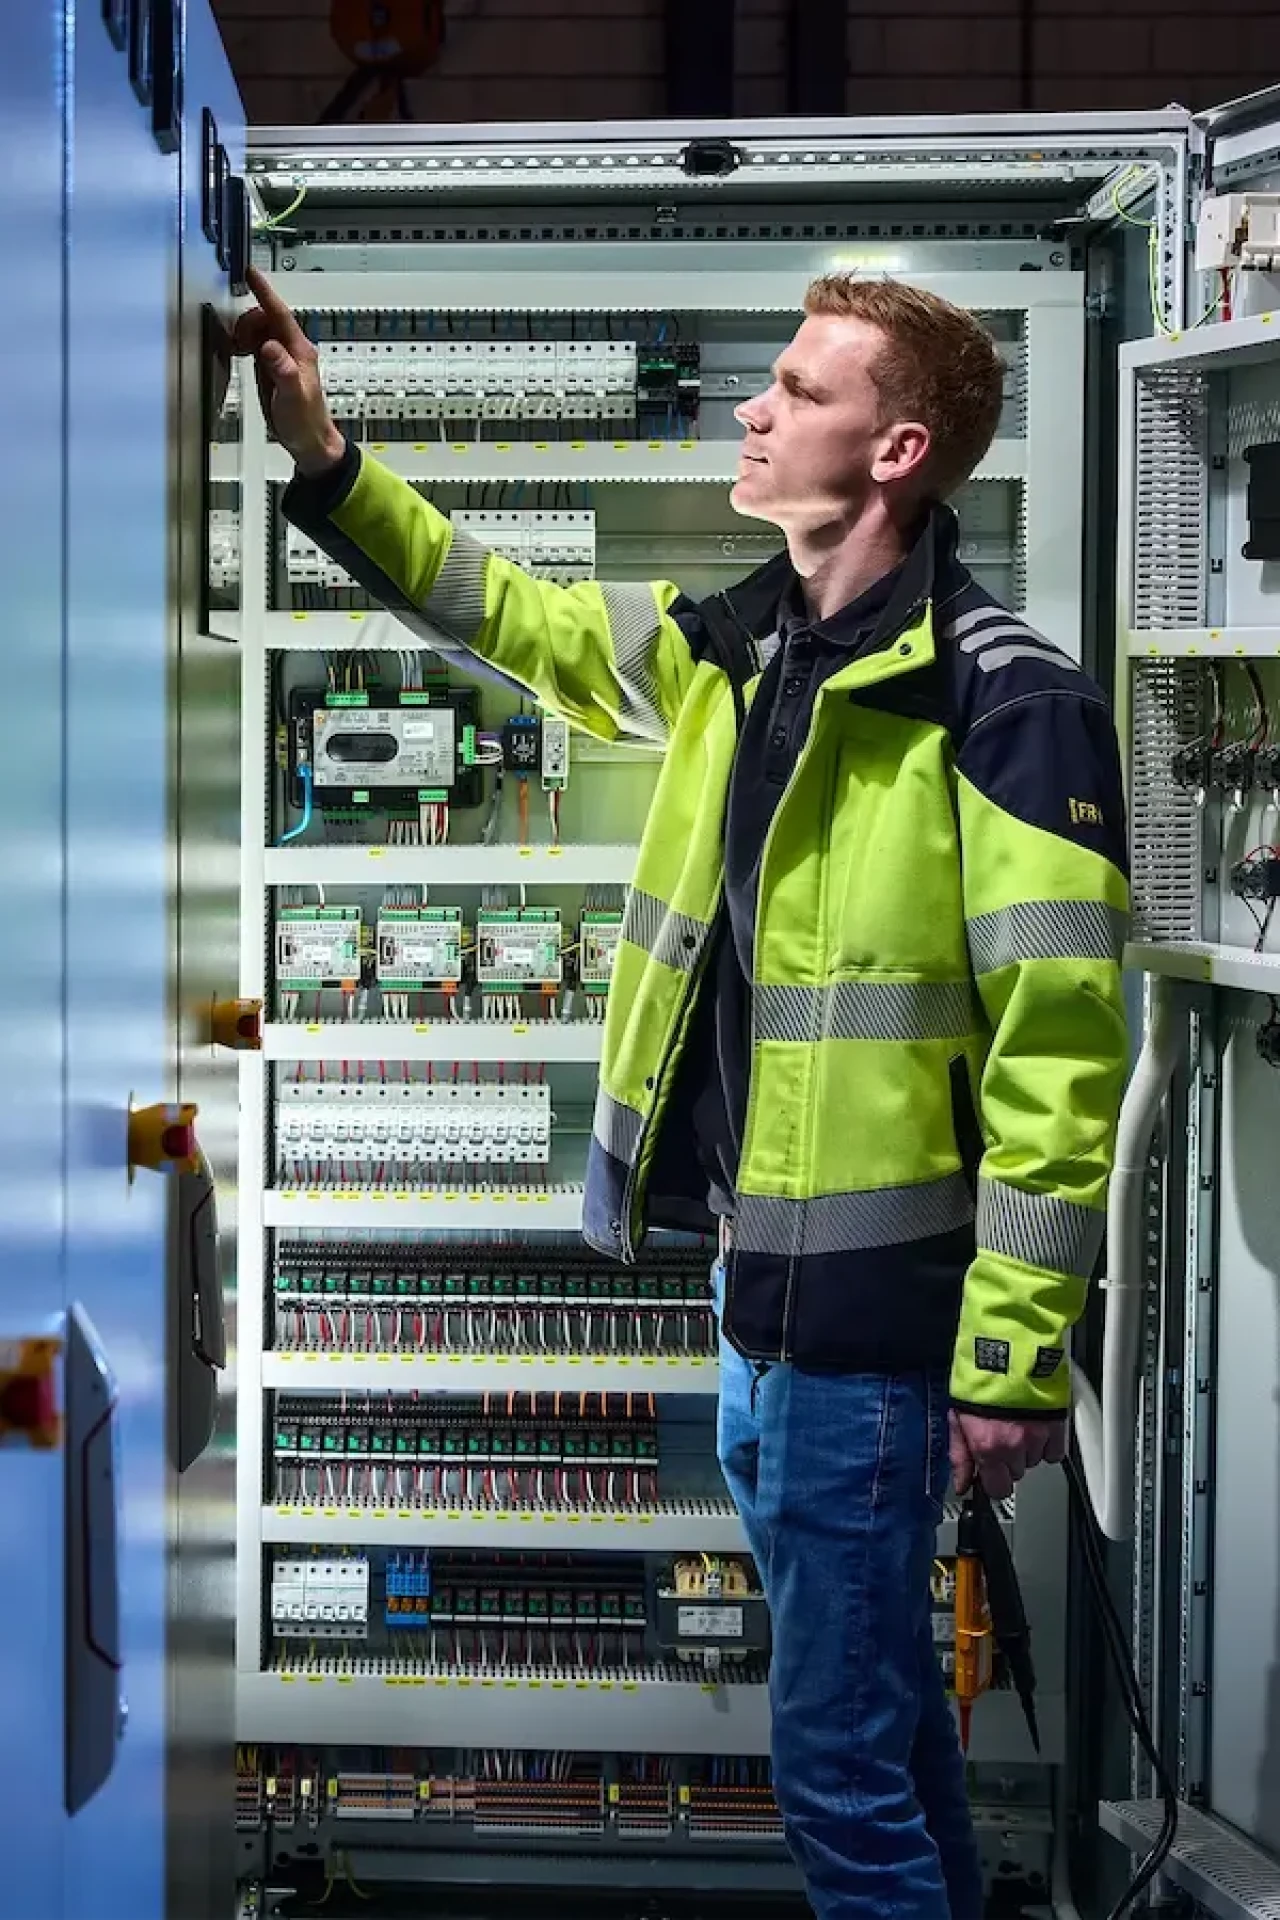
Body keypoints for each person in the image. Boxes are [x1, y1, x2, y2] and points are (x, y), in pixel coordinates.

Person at [235, 266, 1129, 1919]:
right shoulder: (741, 650)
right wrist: (325, 458)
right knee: (889, 1739)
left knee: (840, 1779)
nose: (754, 406)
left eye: (800, 388)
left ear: (897, 449)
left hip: (872, 1328)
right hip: (753, 1289)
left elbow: (1062, 1063)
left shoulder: (1006, 701)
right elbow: (513, 612)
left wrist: (1009, 1357)